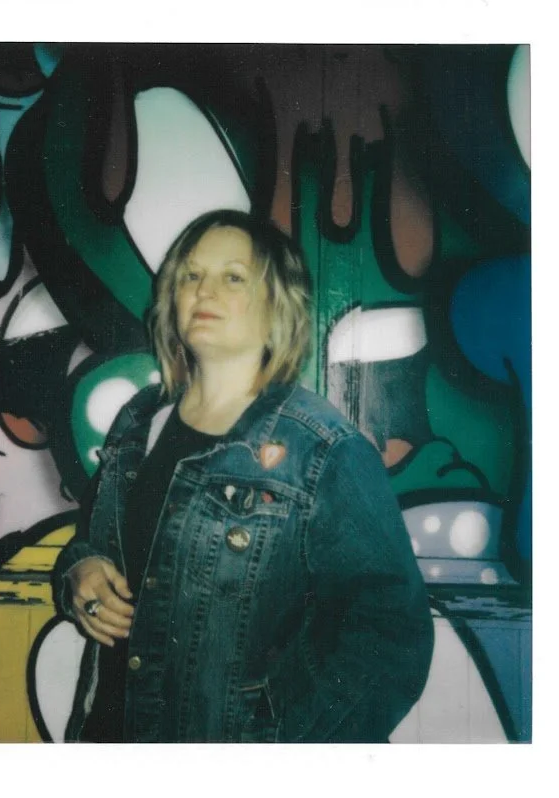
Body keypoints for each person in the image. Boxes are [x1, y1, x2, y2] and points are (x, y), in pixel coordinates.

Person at [54, 209, 433, 742]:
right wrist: (80, 571)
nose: (204, 290)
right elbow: (93, 543)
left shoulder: (322, 448)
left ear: (277, 304)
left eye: (233, 277)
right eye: (191, 274)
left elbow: (392, 637)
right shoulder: (138, 422)